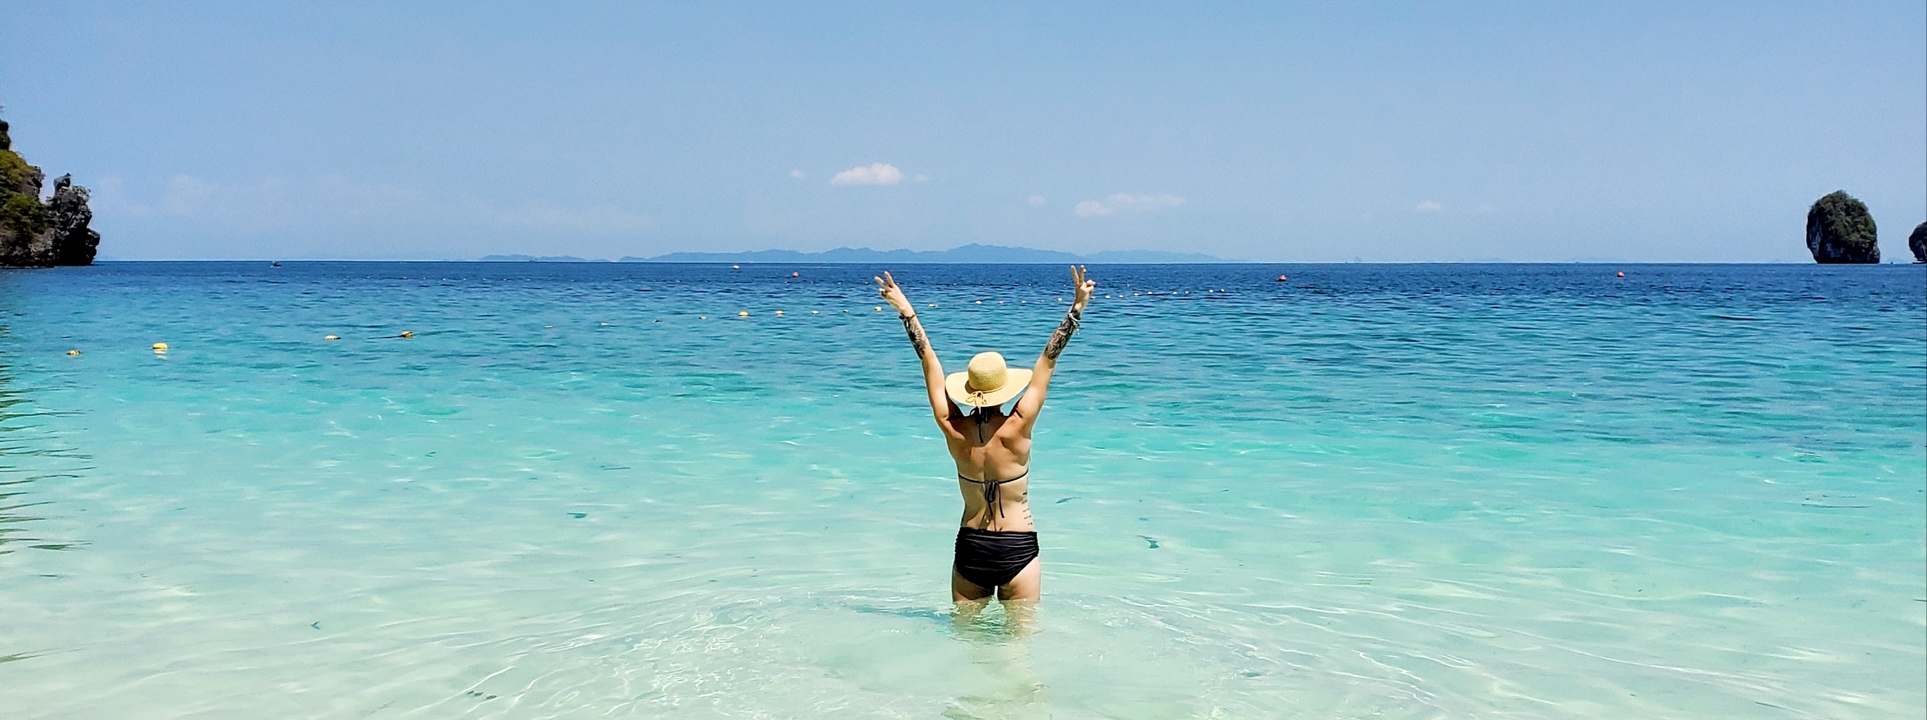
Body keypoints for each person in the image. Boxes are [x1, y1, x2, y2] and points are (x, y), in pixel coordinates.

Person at [874, 266, 1096, 608]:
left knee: (965, 636)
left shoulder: (952, 428)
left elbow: (928, 362)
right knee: (1021, 640)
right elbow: (1047, 362)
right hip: (1017, 546)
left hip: (971, 547)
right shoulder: (1018, 425)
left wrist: (907, 311)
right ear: (1004, 387)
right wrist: (1077, 307)